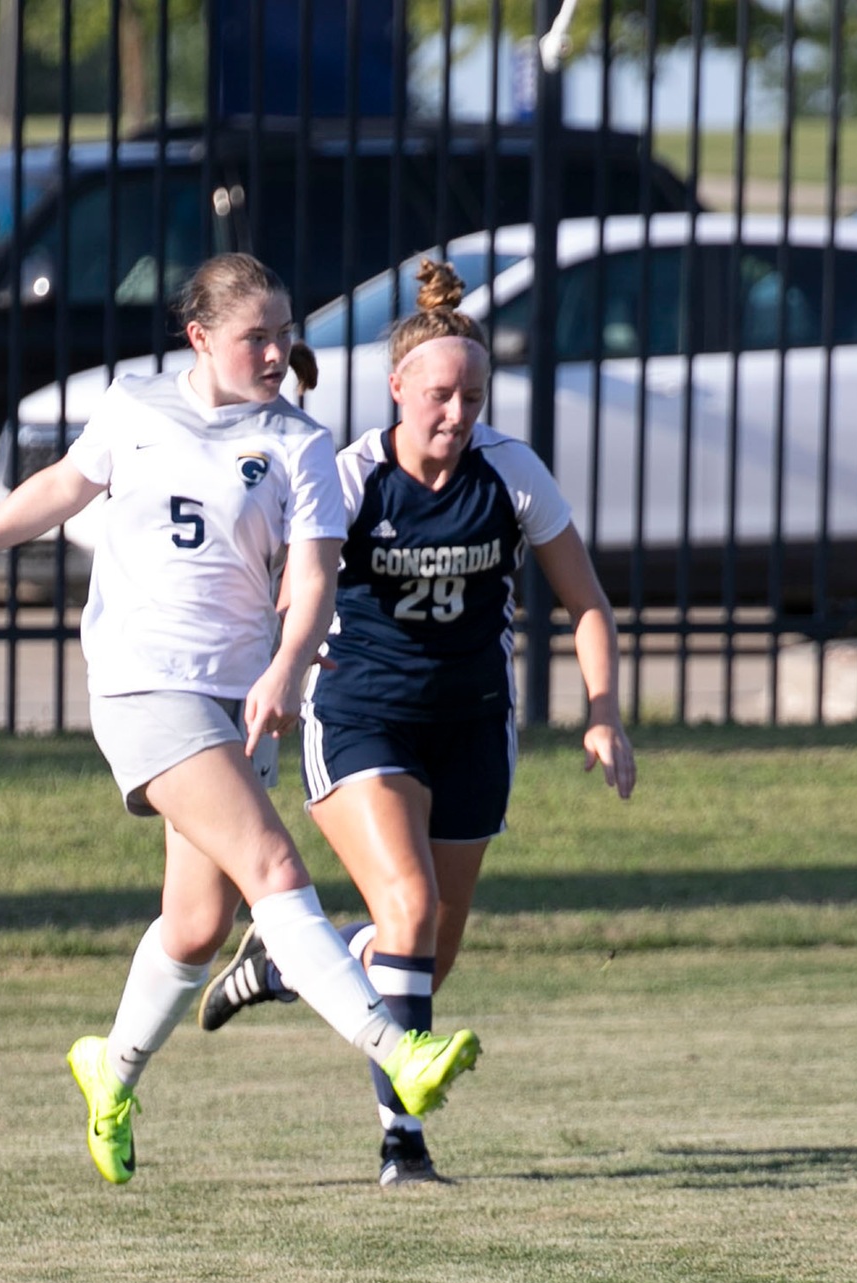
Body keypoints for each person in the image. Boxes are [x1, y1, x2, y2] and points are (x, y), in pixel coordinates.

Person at [0, 253, 480, 1186]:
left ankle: (109, 1071)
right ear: (200, 339)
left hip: (236, 696)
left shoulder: (300, 443)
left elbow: (315, 575)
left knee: (198, 926)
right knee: (276, 866)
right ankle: (395, 1049)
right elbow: (55, 493)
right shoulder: (133, 407)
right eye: (258, 337)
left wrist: (287, 665)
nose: (279, 351)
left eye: (287, 333)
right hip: (142, 682)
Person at [197, 257, 635, 1186]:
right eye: (439, 394)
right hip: (361, 717)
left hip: (473, 722)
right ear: (397, 387)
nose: (457, 412)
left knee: (427, 955)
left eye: (473, 395)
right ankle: (404, 1142)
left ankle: (289, 964)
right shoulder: (352, 478)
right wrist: (281, 669)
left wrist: (604, 715)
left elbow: (586, 603)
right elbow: (297, 591)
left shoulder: (510, 473)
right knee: (406, 908)